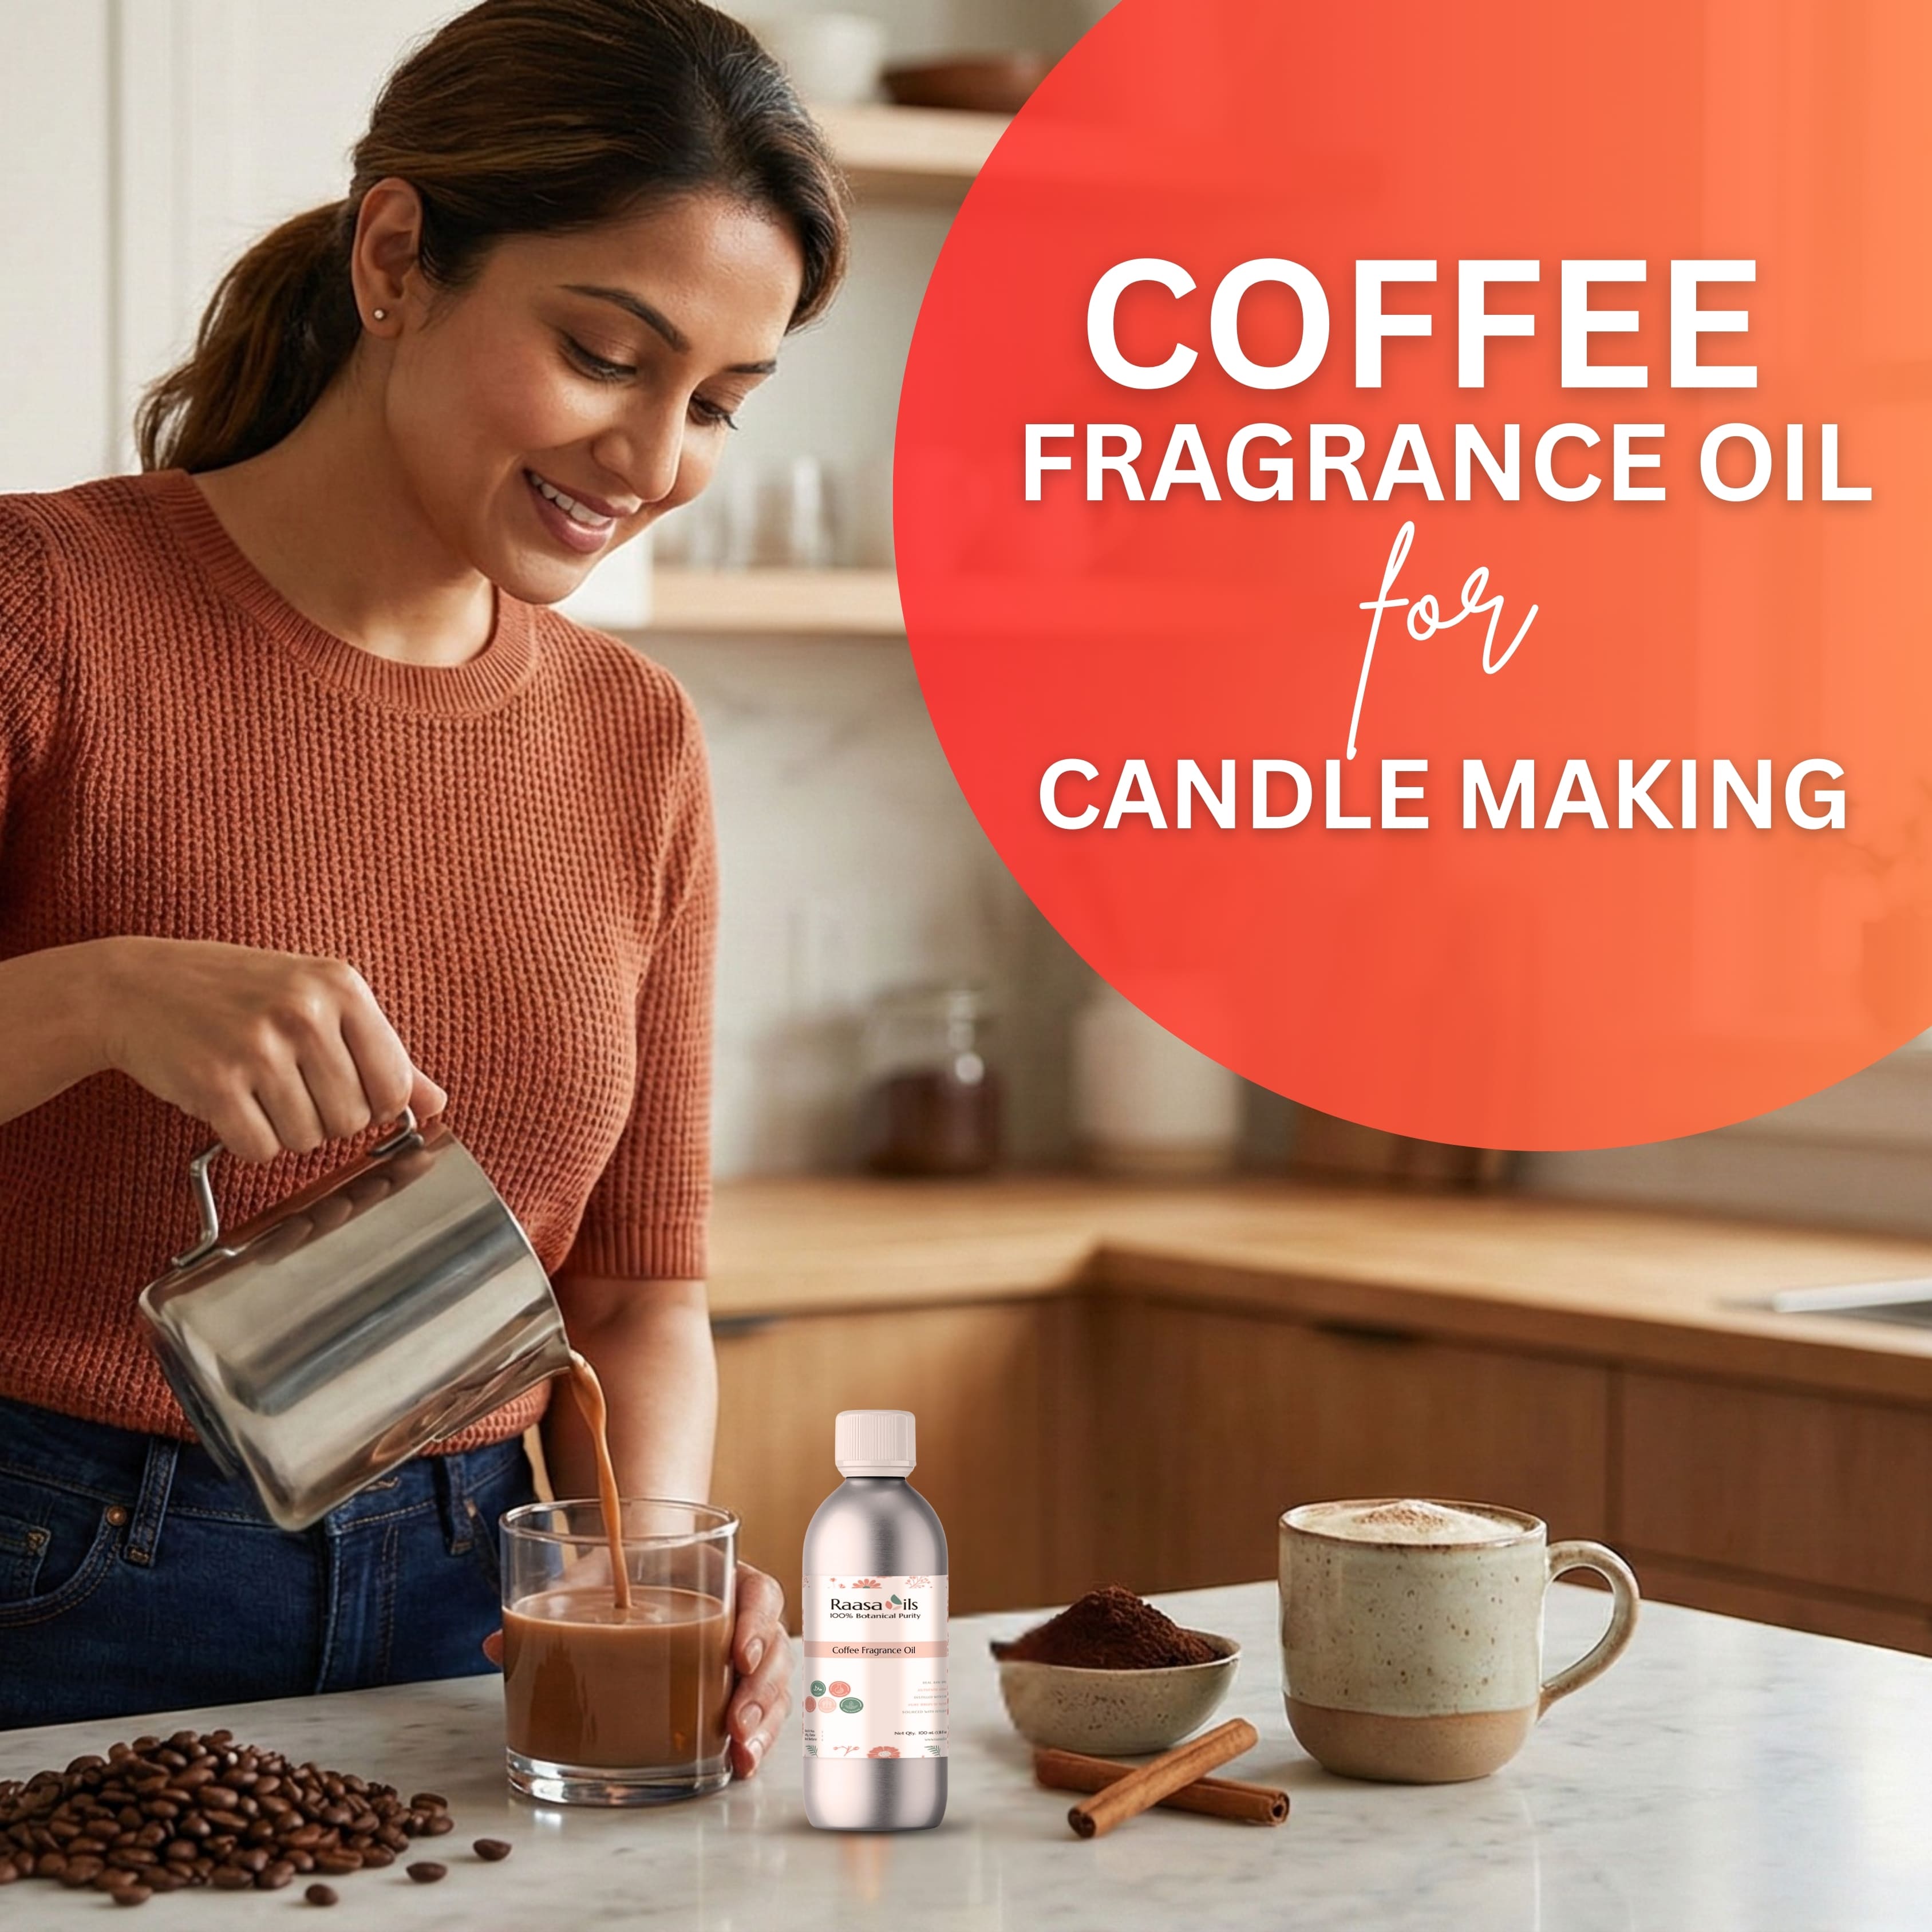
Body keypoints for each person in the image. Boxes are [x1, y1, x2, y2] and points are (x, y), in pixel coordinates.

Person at [0, 0, 846, 1761]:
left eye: (717, 405)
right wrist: (88, 1000)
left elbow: (634, 1297)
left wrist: (643, 1562)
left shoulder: (638, 741)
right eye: (609, 355)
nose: (654, 459)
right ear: (399, 256)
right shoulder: (45, 611)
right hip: (60, 1574)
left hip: (481, 1605)